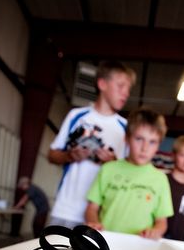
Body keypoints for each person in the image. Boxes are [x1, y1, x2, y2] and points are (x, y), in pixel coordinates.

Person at [48, 60, 136, 229]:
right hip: (65, 210)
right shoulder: (77, 116)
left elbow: (130, 174)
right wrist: (70, 155)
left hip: (100, 217)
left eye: (128, 89)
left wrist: (114, 163)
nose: (126, 93)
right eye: (121, 86)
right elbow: (52, 154)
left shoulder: (126, 128)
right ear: (102, 84)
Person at [85, 107, 173, 239]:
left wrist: (155, 231)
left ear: (158, 145)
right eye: (139, 139)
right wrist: (94, 223)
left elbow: (162, 222)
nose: (145, 148)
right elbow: (92, 208)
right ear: (127, 138)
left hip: (139, 247)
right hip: (104, 242)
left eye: (152, 142)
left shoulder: (160, 179)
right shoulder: (108, 169)